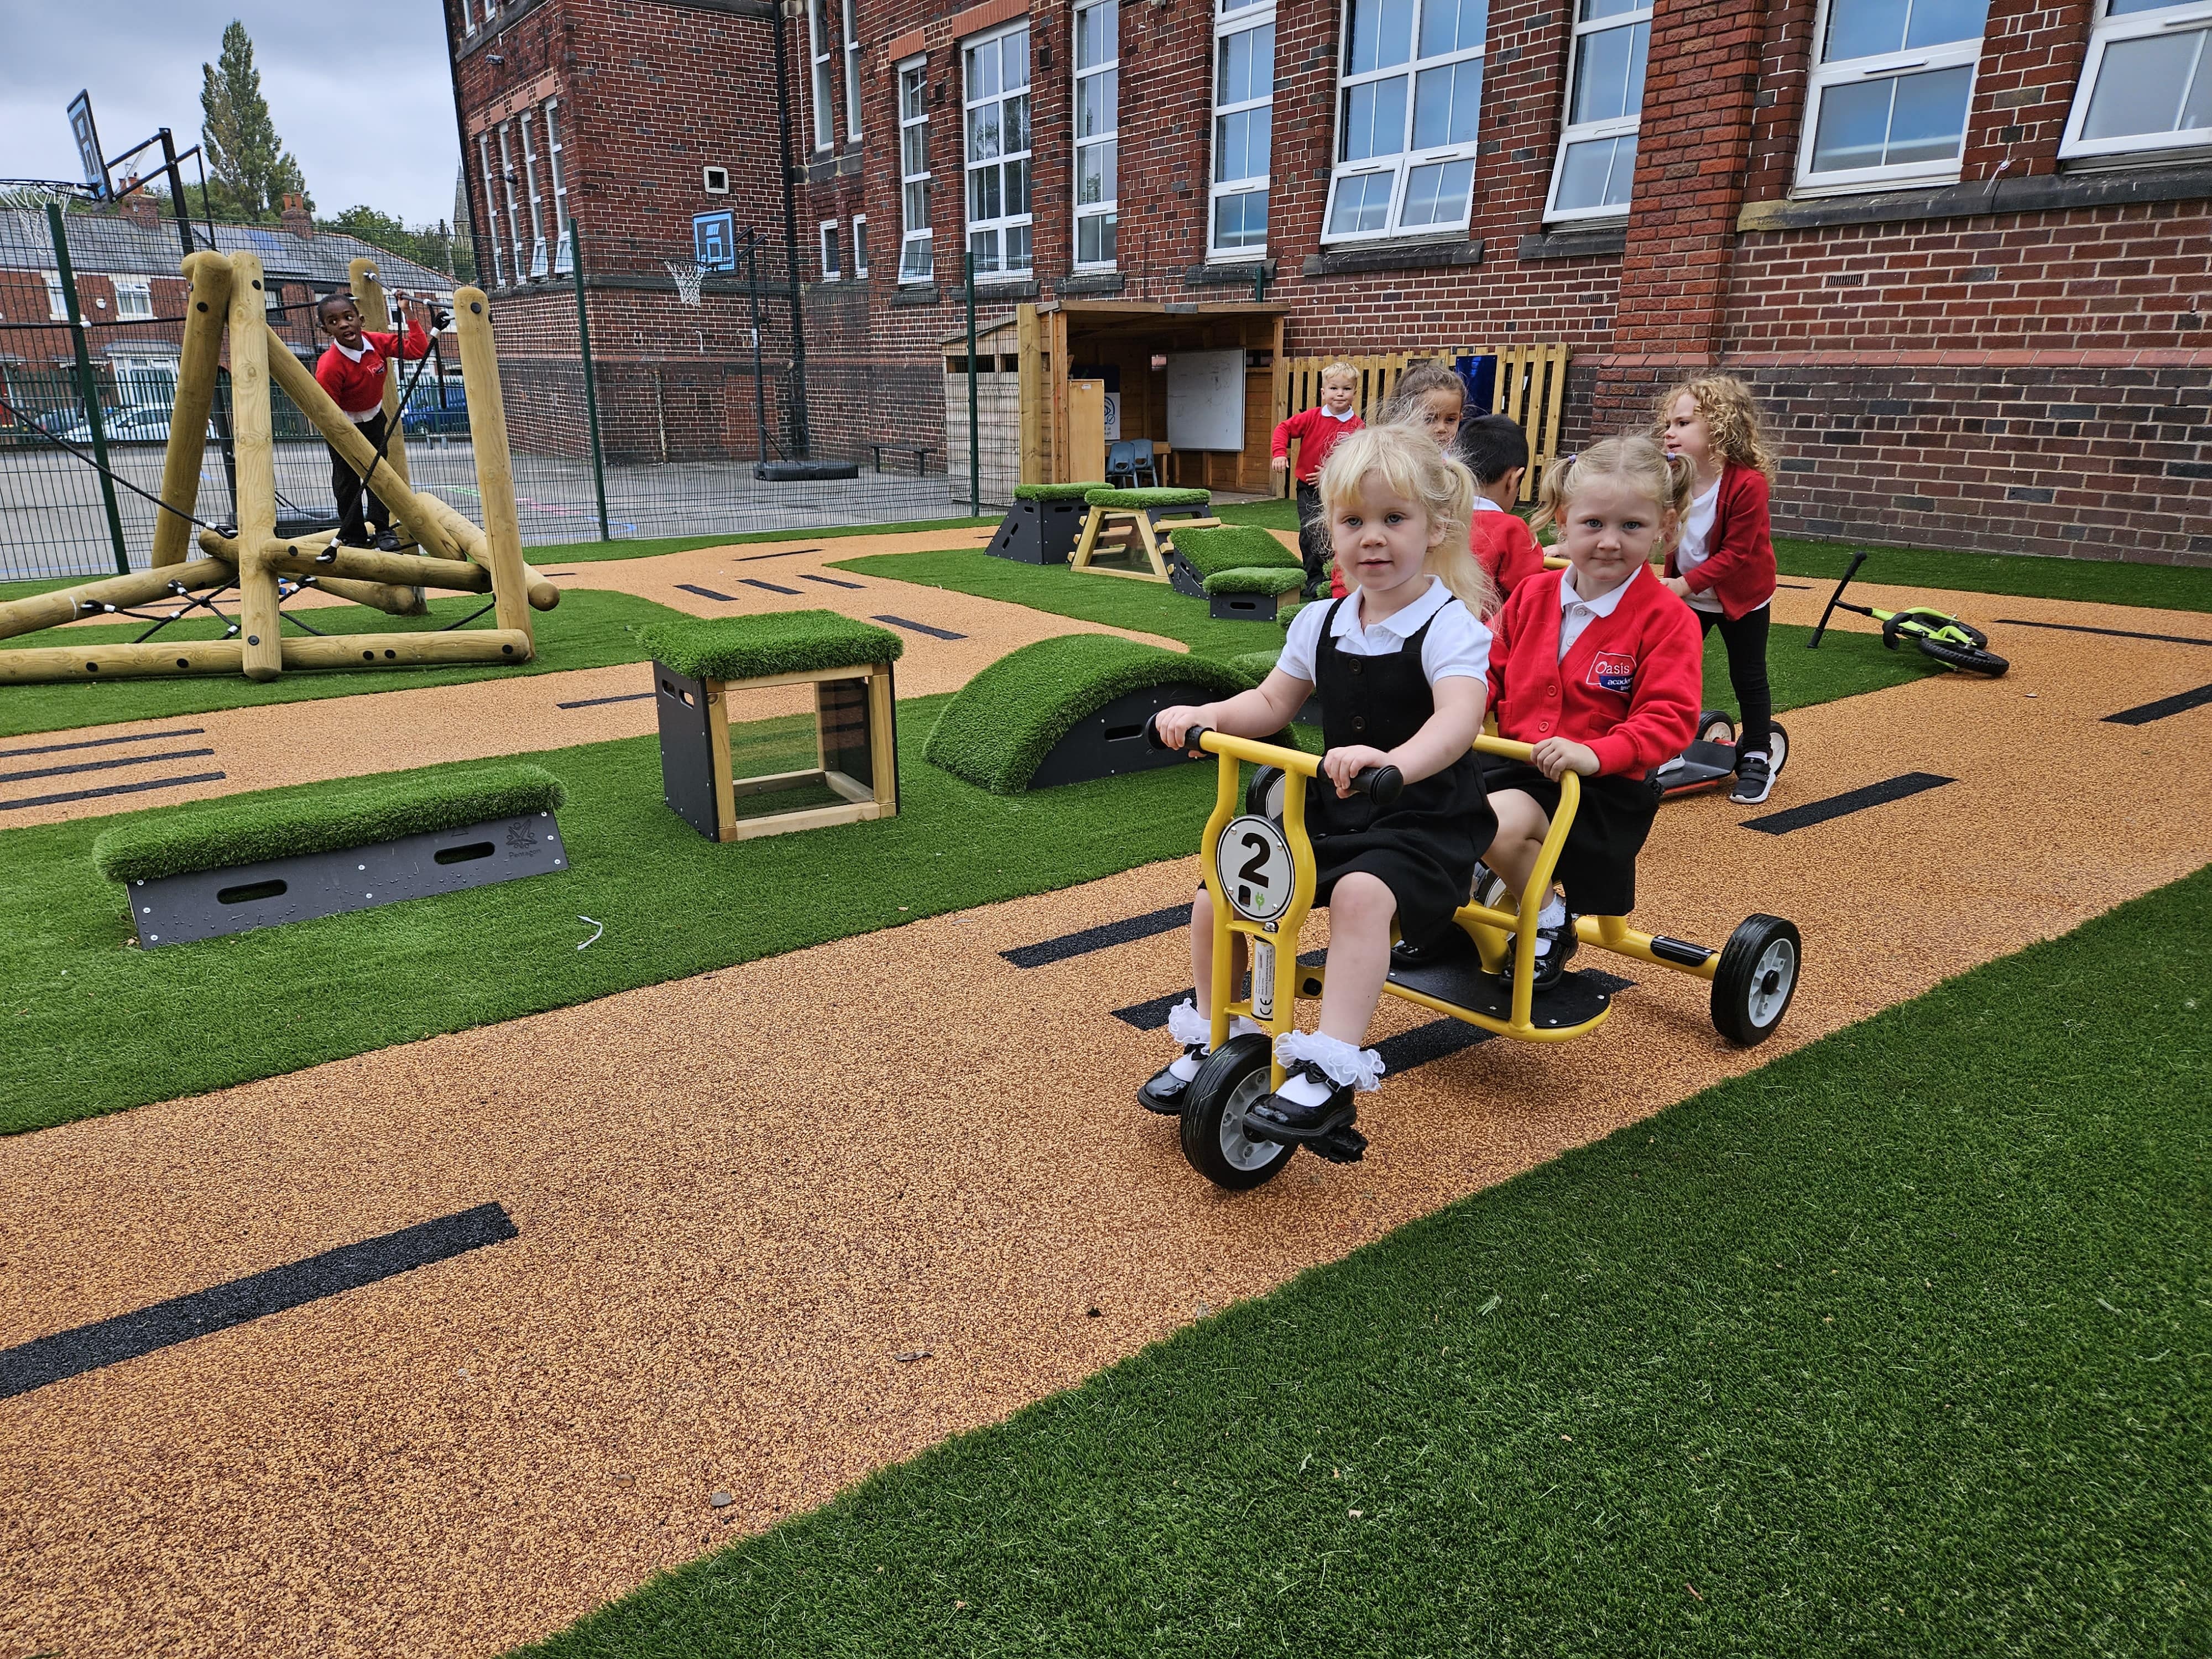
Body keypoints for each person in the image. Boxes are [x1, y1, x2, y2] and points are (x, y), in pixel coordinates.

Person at [1142, 425, 1496, 1148]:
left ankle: (1332, 1069)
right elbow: (1272, 704)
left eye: (1394, 519)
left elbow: (1460, 720)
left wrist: (1396, 761)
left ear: (1437, 529)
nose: (1372, 538)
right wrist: (1205, 715)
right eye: (1353, 521)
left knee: (1365, 896)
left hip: (1422, 818)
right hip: (1336, 813)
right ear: (1329, 530)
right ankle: (1216, 1029)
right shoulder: (1320, 619)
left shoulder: (1449, 625)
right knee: (1221, 893)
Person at [1477, 436, 1703, 990]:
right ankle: (1456, 905)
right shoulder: (1531, 596)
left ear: (1664, 528)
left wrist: (1595, 752)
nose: (1608, 542)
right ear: (1563, 521)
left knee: (1485, 821)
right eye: (1593, 524)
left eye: (1631, 526)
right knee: (1433, 801)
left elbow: (1669, 718)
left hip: (1602, 790)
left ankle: (1550, 922)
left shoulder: (1667, 619)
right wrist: (1454, 713)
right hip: (1521, 765)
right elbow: (1487, 669)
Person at [1654, 375, 1781, 804]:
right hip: (1687, 592)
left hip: (1739, 597)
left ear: (1719, 427)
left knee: (1747, 674)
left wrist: (1682, 586)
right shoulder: (1674, 477)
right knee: (1669, 670)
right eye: (1670, 422)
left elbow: (1737, 554)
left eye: (1684, 423)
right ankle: (1667, 747)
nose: (1670, 431)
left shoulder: (1748, 485)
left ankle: (1759, 755)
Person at [1330, 361, 1467, 601]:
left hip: (1433, 592)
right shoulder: (1377, 468)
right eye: (1430, 418)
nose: (1441, 429)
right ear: (1403, 416)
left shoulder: (1453, 476)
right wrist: (1343, 600)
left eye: (1450, 420)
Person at [313, 292, 435, 551]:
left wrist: (408, 313)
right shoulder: (330, 366)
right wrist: (342, 436)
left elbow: (417, 350)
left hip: (373, 418)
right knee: (347, 481)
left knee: (379, 474)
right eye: (334, 322)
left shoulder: (375, 343)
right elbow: (326, 409)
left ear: (361, 320)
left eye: (349, 317)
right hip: (342, 426)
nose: (344, 324)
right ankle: (354, 534)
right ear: (326, 330)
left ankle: (382, 528)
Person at [1271, 362, 1364, 596]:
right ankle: (1313, 579)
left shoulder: (1358, 427)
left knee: (1338, 531)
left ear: (1355, 393)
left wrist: (1331, 473)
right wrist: (1279, 454)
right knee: (1311, 532)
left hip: (1340, 491)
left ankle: (1339, 576)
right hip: (1309, 489)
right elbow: (1283, 429)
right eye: (1334, 389)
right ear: (1324, 392)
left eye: (1346, 389)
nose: (1339, 394)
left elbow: (1361, 461)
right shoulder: (1312, 417)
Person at [1463, 414, 1547, 608]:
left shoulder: (1438, 520)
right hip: (1490, 633)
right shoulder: (1512, 529)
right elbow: (1533, 590)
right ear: (1514, 479)